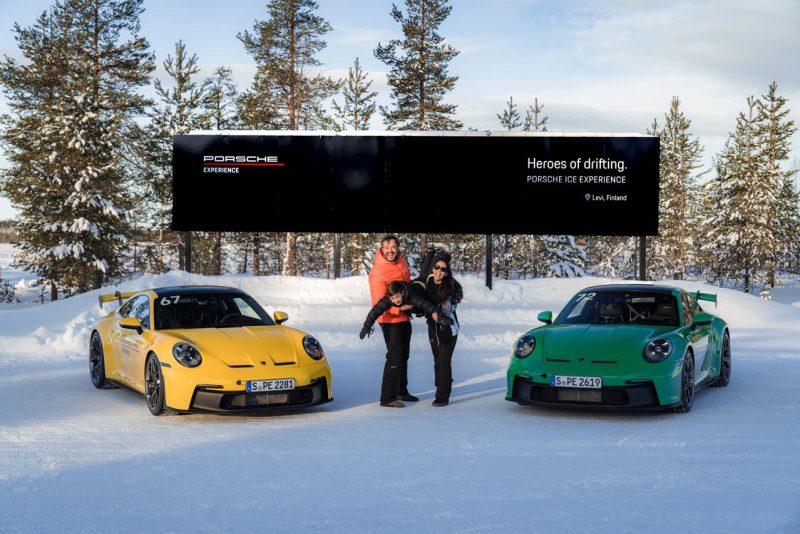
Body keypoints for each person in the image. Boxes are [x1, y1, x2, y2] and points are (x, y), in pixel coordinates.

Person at [366, 235, 415, 408]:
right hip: (389, 319)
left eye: (393, 246)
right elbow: (378, 302)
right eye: (386, 247)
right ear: (381, 248)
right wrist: (398, 309)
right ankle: (387, 397)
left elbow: (407, 286)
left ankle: (401, 390)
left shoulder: (401, 261)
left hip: (404, 317)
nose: (390, 250)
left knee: (404, 355)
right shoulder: (378, 271)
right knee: (394, 356)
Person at [425, 250, 463, 407]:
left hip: (448, 328)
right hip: (432, 328)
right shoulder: (427, 281)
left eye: (443, 269)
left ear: (447, 273)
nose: (439, 271)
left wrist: (437, 313)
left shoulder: (450, 287)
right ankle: (441, 384)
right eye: (436, 267)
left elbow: (447, 310)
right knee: (437, 360)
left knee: (444, 361)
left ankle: (443, 395)